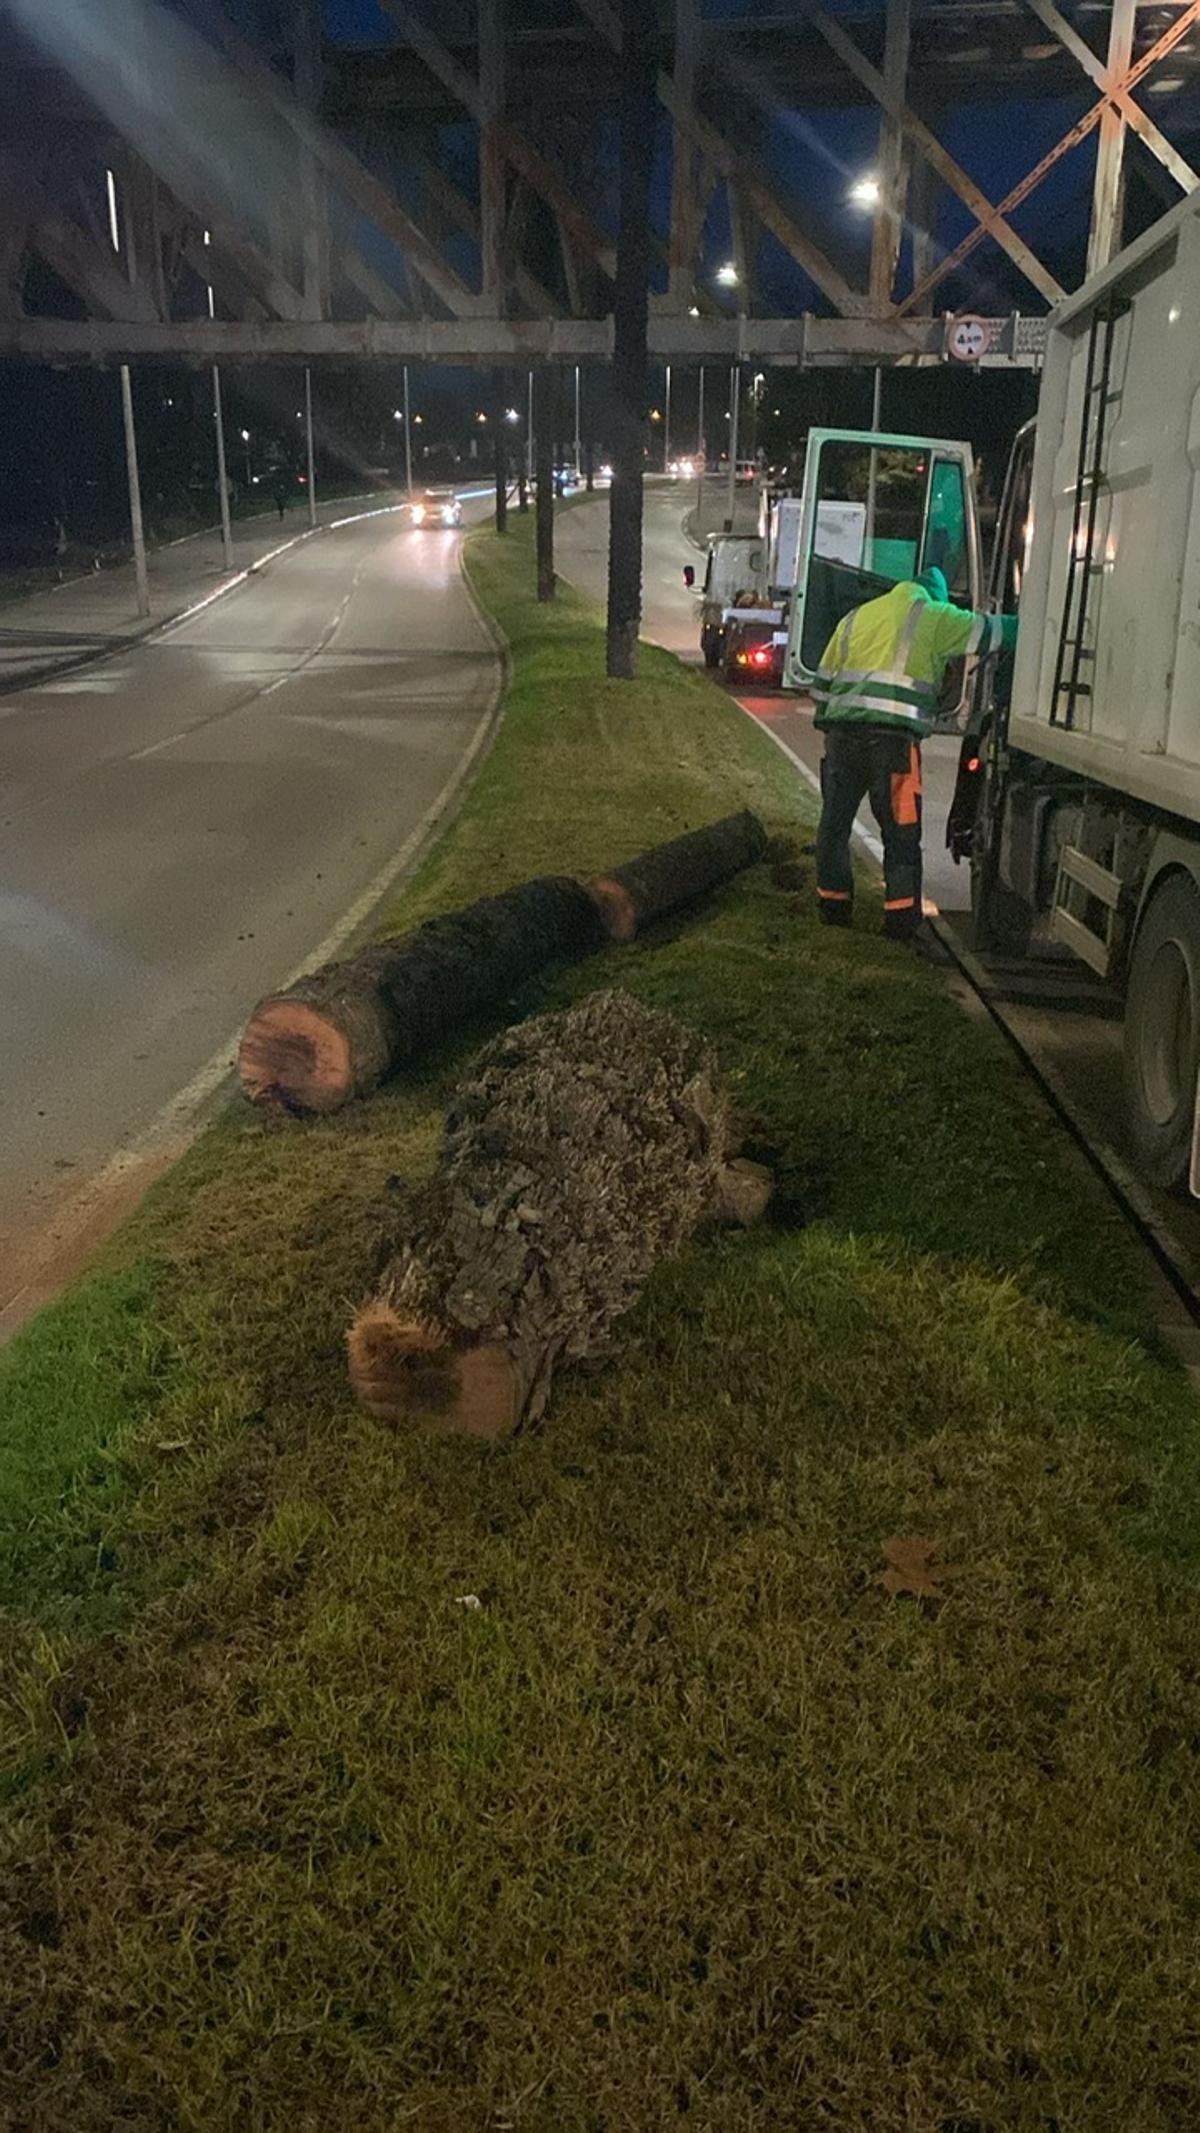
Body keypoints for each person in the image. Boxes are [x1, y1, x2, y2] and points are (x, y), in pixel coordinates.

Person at [812, 565, 1017, 942]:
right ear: (933, 596)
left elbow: (821, 687)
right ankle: (901, 923)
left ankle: (834, 906)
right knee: (901, 833)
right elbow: (996, 632)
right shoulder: (934, 615)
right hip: (893, 744)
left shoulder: (856, 617)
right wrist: (1044, 621)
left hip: (840, 737)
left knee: (834, 826)